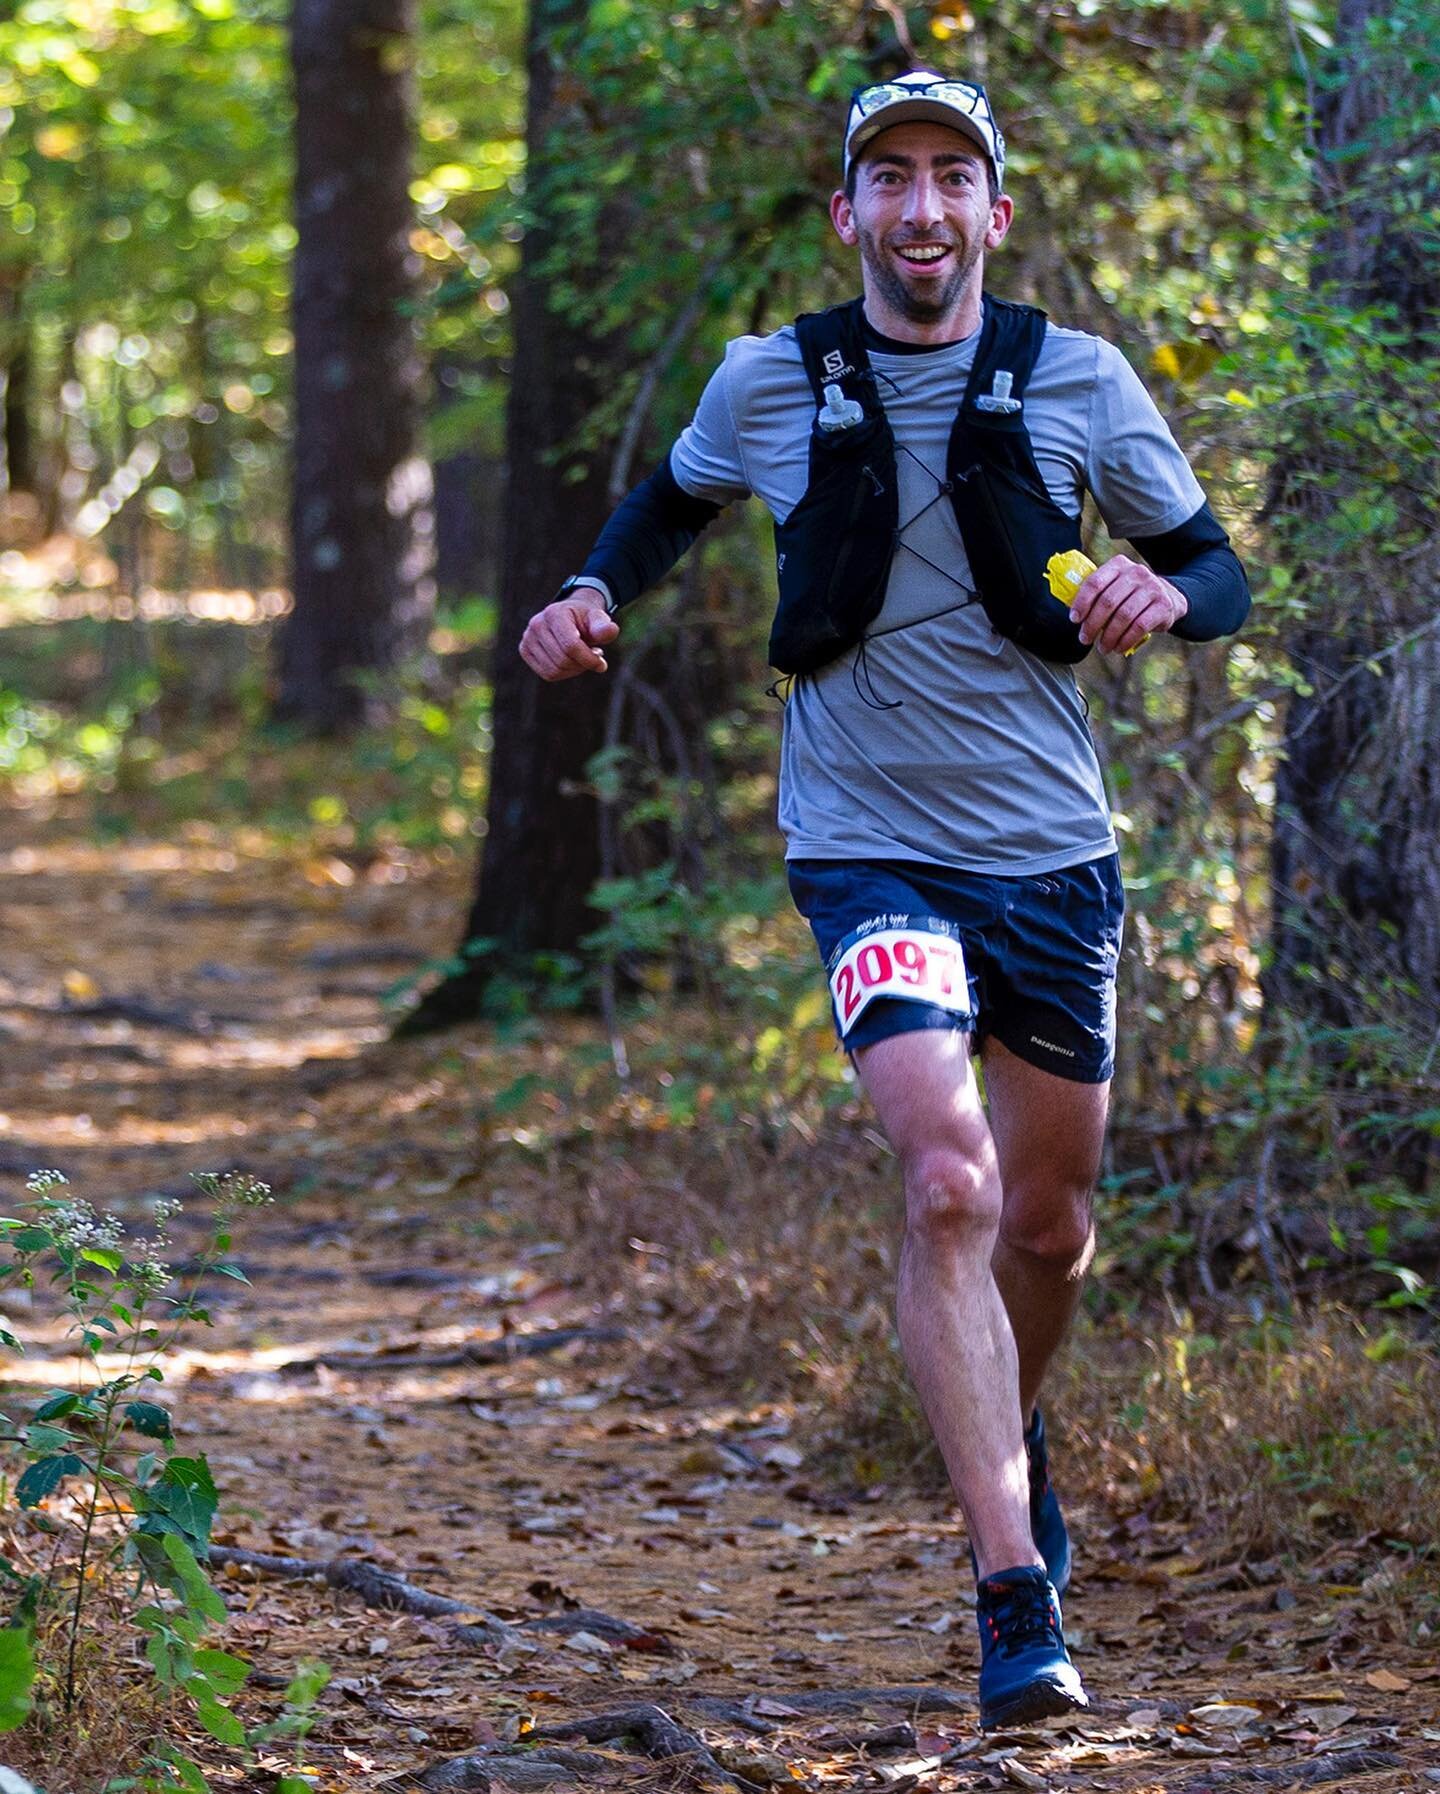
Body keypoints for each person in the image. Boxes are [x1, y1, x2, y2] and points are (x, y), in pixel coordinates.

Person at [519, 70, 1249, 1728]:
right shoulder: (774, 381)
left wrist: (1164, 588)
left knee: (1047, 1225)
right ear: (848, 212)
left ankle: (1008, 1440)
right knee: (945, 1179)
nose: (922, 209)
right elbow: (667, 507)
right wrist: (581, 595)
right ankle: (1014, 1593)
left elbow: (1223, 572)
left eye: (952, 179)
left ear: (997, 212)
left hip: (1053, 851)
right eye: (889, 179)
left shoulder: (1080, 379)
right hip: (865, 846)